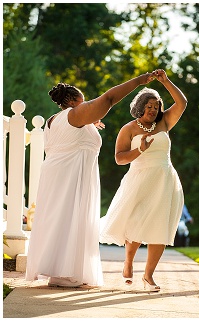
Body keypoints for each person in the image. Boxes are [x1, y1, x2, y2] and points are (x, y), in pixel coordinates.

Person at [25, 73, 156, 287]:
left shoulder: (54, 120)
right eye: (83, 100)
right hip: (71, 175)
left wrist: (89, 123)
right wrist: (139, 81)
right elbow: (108, 99)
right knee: (71, 217)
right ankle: (65, 274)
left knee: (60, 218)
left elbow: (69, 138)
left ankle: (60, 271)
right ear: (71, 102)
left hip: (57, 174)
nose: (86, 104)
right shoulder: (74, 115)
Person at [99, 69, 187, 292]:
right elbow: (119, 159)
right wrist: (139, 149)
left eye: (156, 107)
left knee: (161, 228)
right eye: (149, 107)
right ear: (140, 107)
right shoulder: (128, 129)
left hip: (165, 180)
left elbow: (182, 102)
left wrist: (165, 81)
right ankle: (128, 262)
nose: (153, 110)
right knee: (137, 224)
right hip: (140, 180)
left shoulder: (165, 122)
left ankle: (148, 276)